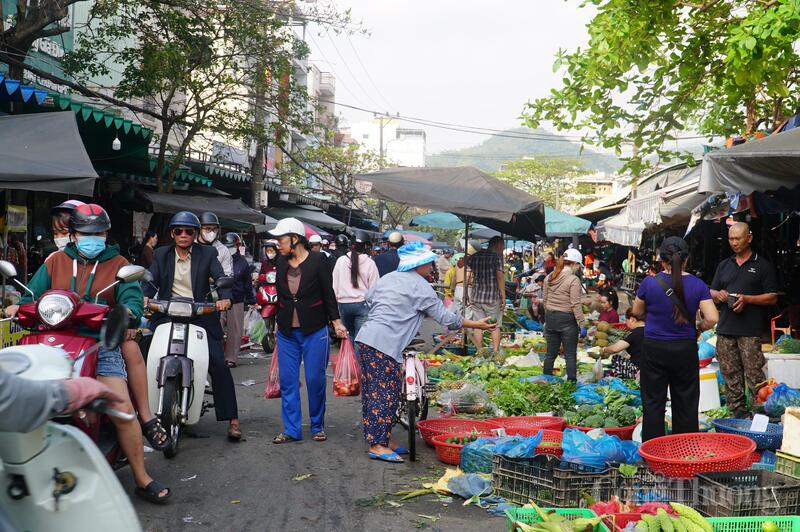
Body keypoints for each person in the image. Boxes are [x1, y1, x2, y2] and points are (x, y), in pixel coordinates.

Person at [6, 203, 171, 504]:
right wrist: (18, 304)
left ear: (106, 234)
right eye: (84, 232)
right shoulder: (56, 260)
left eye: (98, 232)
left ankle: (140, 476)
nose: (91, 237)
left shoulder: (119, 263)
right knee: (20, 397)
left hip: (99, 343)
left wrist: (126, 313)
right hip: (49, 342)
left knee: (121, 410)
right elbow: (33, 292)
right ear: (73, 234)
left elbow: (132, 301)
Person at [355, 242, 497, 462]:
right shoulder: (421, 287)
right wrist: (477, 325)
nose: (431, 267)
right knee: (384, 395)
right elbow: (447, 319)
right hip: (383, 344)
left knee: (377, 392)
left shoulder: (389, 278)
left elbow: (369, 297)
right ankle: (376, 445)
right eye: (429, 263)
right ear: (419, 264)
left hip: (366, 339)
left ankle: (384, 439)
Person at [143, 211, 242, 441]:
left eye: (189, 231)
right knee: (142, 353)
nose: (184, 235)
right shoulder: (160, 254)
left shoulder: (208, 253)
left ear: (196, 234)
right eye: (179, 231)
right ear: (172, 234)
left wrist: (224, 297)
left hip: (200, 316)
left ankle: (233, 419)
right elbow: (150, 280)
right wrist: (144, 297)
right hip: (167, 315)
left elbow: (220, 277)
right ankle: (140, 414)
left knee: (218, 362)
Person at [268, 217, 347, 444]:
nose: (277, 244)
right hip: (286, 333)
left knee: (315, 379)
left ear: (295, 239)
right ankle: (292, 429)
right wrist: (275, 325)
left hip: (314, 329)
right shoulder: (281, 262)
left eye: (281, 239)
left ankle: (316, 425)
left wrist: (336, 321)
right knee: (288, 381)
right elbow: (281, 297)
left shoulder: (318, 260)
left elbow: (328, 293)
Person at [631, 236, 718, 441]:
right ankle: (683, 454)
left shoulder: (649, 283)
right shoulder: (698, 285)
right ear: (686, 259)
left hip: (654, 349)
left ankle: (653, 455)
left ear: (661, 260)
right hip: (684, 350)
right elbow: (713, 317)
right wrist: (699, 326)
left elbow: (636, 311)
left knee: (653, 404)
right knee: (686, 404)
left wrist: (653, 317)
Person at [710, 222, 778, 418]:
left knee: (754, 374)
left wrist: (747, 299)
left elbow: (772, 296)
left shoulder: (762, 265)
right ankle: (737, 415)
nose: (734, 242)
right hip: (725, 329)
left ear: (749, 237)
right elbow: (711, 290)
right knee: (730, 375)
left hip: (749, 331)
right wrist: (719, 294)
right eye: (731, 239)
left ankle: (762, 414)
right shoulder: (724, 265)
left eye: (738, 238)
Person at [332, 229, 378, 361]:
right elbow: (374, 290)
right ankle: (358, 370)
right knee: (360, 338)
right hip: (362, 305)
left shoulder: (341, 261)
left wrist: (335, 307)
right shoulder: (370, 263)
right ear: (366, 246)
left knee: (348, 336)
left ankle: (349, 368)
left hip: (343, 305)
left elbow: (334, 285)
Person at [542, 249, 585, 381]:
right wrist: (582, 324)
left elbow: (545, 300)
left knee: (550, 354)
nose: (579, 269)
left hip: (550, 318)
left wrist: (549, 317)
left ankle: (546, 381)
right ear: (575, 264)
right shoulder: (573, 280)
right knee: (570, 355)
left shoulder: (549, 277)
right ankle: (571, 385)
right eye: (579, 266)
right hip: (567, 321)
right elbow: (575, 304)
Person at [466, 236, 505, 353]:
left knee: (478, 325)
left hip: (476, 296)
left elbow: (467, 271)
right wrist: (503, 295)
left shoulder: (475, 255)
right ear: (498, 245)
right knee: (494, 326)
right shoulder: (497, 257)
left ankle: (479, 352)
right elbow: (500, 276)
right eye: (502, 247)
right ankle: (495, 352)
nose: (502, 250)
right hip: (491, 297)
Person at [222, 233, 256, 368]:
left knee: (235, 330)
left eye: (231, 246)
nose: (229, 249)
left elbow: (247, 284)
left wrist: (252, 300)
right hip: (220, 299)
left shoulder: (242, 263)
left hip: (236, 300)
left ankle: (231, 358)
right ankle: (217, 356)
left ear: (237, 246)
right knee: (216, 328)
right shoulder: (219, 260)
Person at [601, 314, 645, 379]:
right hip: (649, 367)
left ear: (632, 319)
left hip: (638, 369)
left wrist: (604, 349)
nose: (626, 323)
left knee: (616, 358)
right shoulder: (650, 331)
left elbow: (615, 349)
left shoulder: (634, 333)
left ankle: (627, 377)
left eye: (626, 320)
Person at [197, 212, 233, 276]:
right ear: (199, 229)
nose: (212, 232)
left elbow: (227, 274)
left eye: (214, 229)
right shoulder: (191, 245)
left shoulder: (223, 250)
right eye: (207, 229)